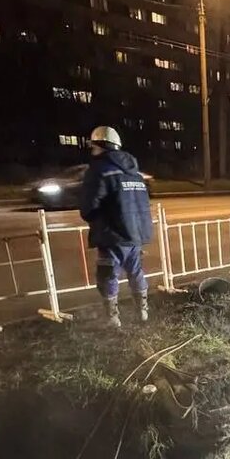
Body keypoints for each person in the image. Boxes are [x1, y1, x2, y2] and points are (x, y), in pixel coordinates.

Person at [80, 125, 154, 328]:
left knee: (108, 274)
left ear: (100, 146)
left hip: (112, 234)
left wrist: (97, 221)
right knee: (135, 271)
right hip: (134, 235)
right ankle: (143, 313)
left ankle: (113, 320)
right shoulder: (135, 173)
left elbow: (88, 206)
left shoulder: (99, 171)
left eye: (93, 147)